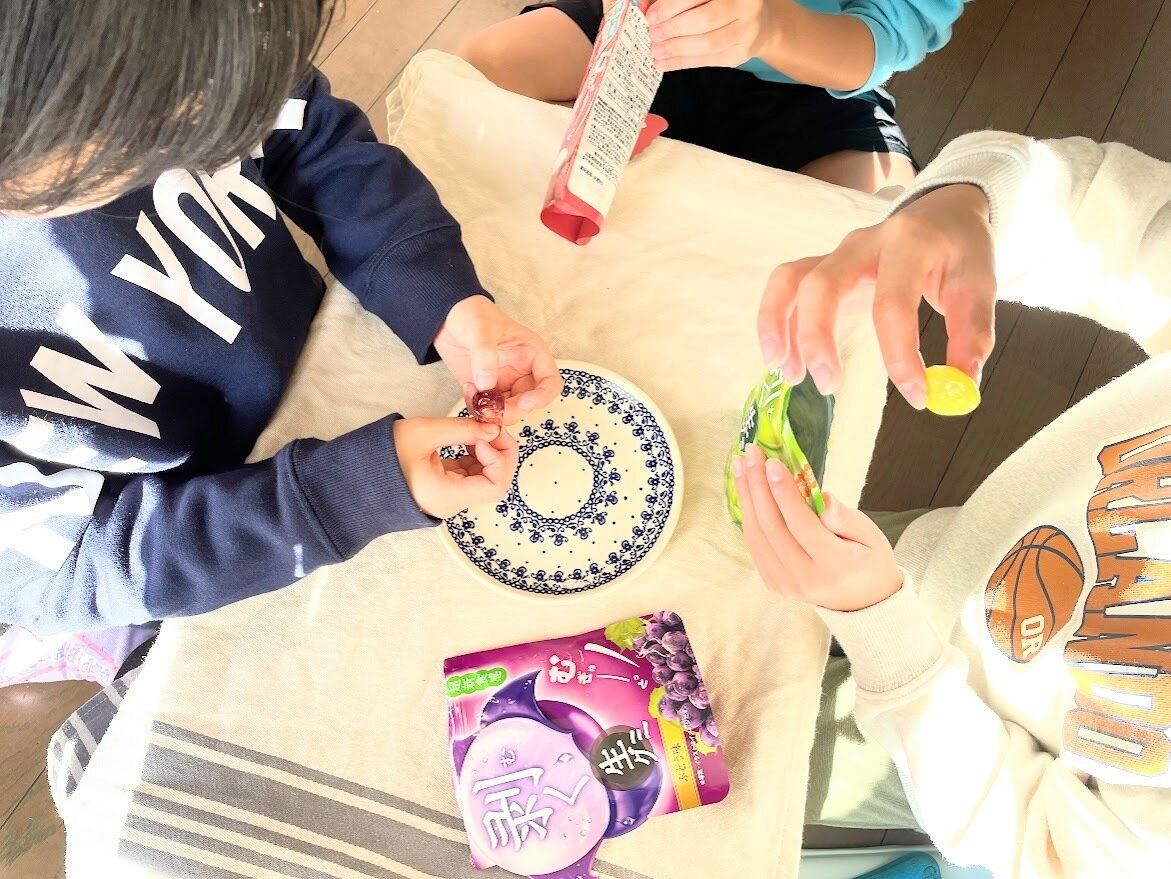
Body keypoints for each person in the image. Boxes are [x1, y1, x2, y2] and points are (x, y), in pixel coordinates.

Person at [0, 0, 561, 643]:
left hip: (317, 356)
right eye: (159, 139)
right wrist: (344, 493)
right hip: (214, 545)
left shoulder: (192, 43)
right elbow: (75, 569)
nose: (212, 139)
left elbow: (308, 136)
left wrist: (440, 298)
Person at [740, 131, 1171, 876]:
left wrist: (882, 630)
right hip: (940, 553)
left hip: (927, 740)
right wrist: (966, 207)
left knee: (718, 750)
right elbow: (1108, 212)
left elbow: (1032, 840)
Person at [458, 0, 968, 193]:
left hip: (815, 78)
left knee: (879, 216)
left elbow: (893, 29)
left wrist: (773, 28)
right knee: (475, 75)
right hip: (648, 27)